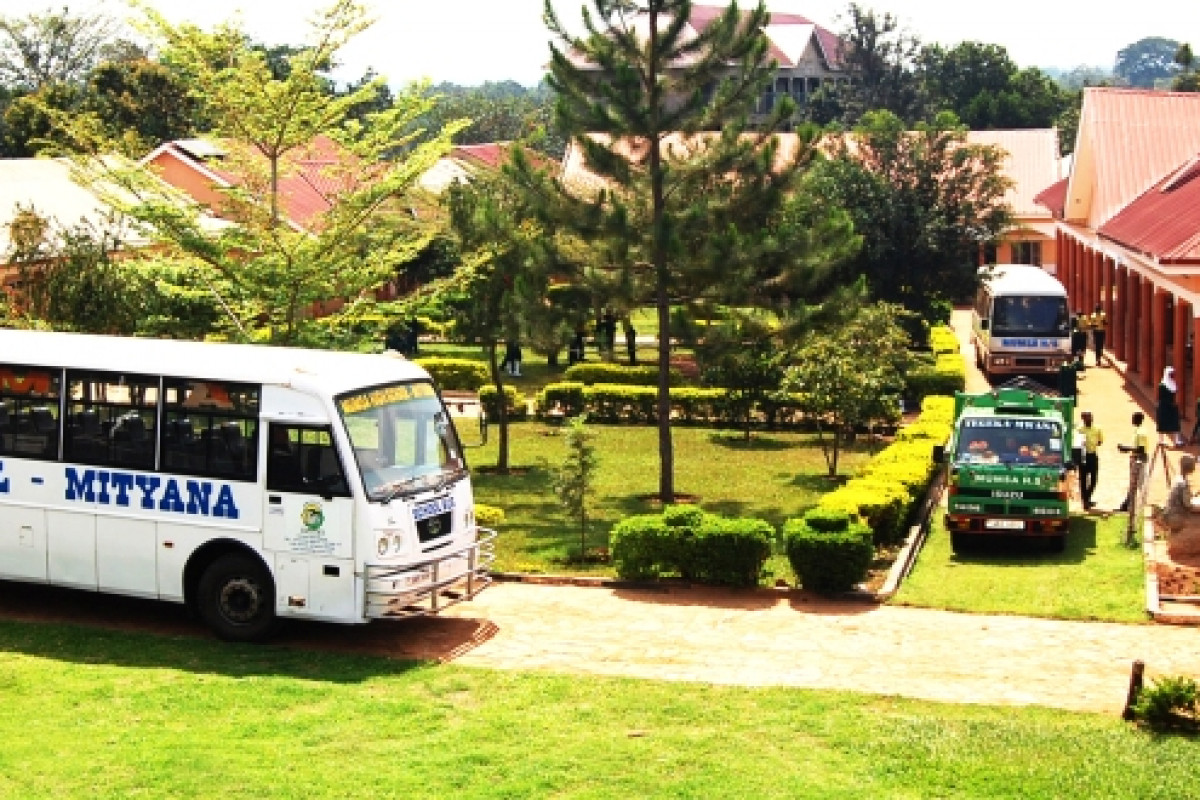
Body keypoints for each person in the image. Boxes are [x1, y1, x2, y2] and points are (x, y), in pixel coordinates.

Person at [1155, 453, 1200, 535]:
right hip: (1175, 518)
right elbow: (1188, 505)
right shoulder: (1184, 484)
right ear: (1190, 467)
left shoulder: (1177, 478)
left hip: (1169, 514)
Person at [1117, 411, 1150, 512]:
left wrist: (1126, 448)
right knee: (1133, 483)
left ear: (1138, 419)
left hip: (1140, 460)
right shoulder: (1138, 431)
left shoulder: (1141, 433)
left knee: (1140, 483)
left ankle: (1141, 506)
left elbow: (1141, 449)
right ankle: (1126, 505)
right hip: (1135, 459)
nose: (1132, 420)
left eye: (1133, 418)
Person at [1077, 410, 1103, 510]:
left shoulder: (1097, 429)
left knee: (1094, 480)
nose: (1089, 419)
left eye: (1090, 417)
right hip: (1083, 456)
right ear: (1083, 419)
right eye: (1087, 417)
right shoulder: (1079, 430)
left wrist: (1093, 444)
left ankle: (1086, 498)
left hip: (1092, 455)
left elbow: (1100, 441)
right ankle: (1086, 502)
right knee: (1083, 480)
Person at [1156, 366, 1185, 447]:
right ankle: (1161, 440)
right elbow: (1162, 397)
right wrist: (1170, 404)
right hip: (1164, 406)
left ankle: (1177, 441)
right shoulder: (1162, 385)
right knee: (1162, 423)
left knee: (1175, 423)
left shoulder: (1173, 383)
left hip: (1172, 407)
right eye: (1171, 374)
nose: (1172, 375)